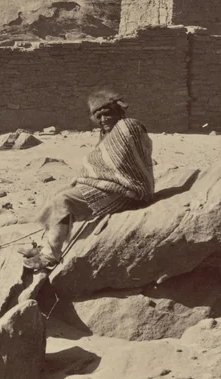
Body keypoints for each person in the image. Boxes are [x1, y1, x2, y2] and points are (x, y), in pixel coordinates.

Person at [21, 89, 155, 271]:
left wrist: (89, 174)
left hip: (128, 189)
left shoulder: (129, 126)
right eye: (98, 116)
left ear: (118, 112)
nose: (103, 119)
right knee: (56, 193)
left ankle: (49, 257)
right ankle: (45, 244)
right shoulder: (107, 134)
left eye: (107, 114)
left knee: (63, 201)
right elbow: (103, 161)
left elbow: (118, 162)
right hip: (112, 185)